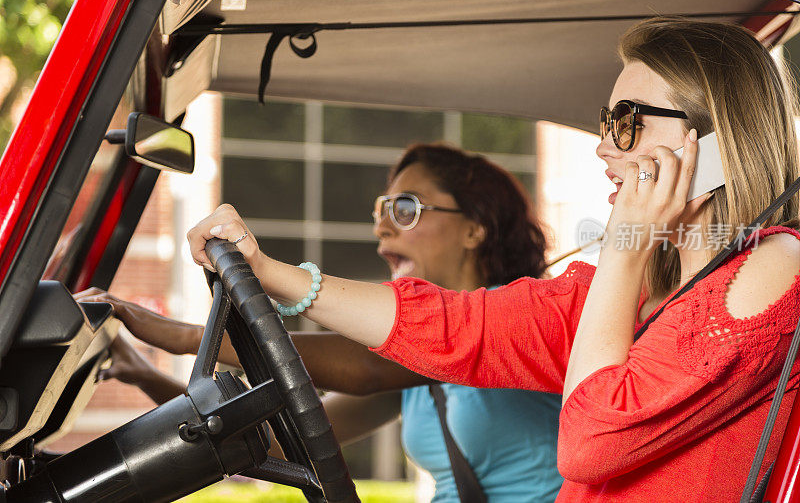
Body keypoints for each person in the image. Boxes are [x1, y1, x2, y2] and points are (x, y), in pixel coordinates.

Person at [184, 17, 800, 502]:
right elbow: (465, 328)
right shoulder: (649, 288)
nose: (605, 148)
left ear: (715, 144)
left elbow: (590, 441)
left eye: (628, 124)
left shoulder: (774, 265)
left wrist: (625, 245)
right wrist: (271, 273)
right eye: (605, 123)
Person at [81, 143, 564, 502]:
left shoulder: (511, 318)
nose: (382, 227)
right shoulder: (412, 364)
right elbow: (272, 443)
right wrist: (145, 374)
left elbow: (365, 367)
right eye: (381, 210)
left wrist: (188, 337)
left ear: (475, 228)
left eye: (406, 208)